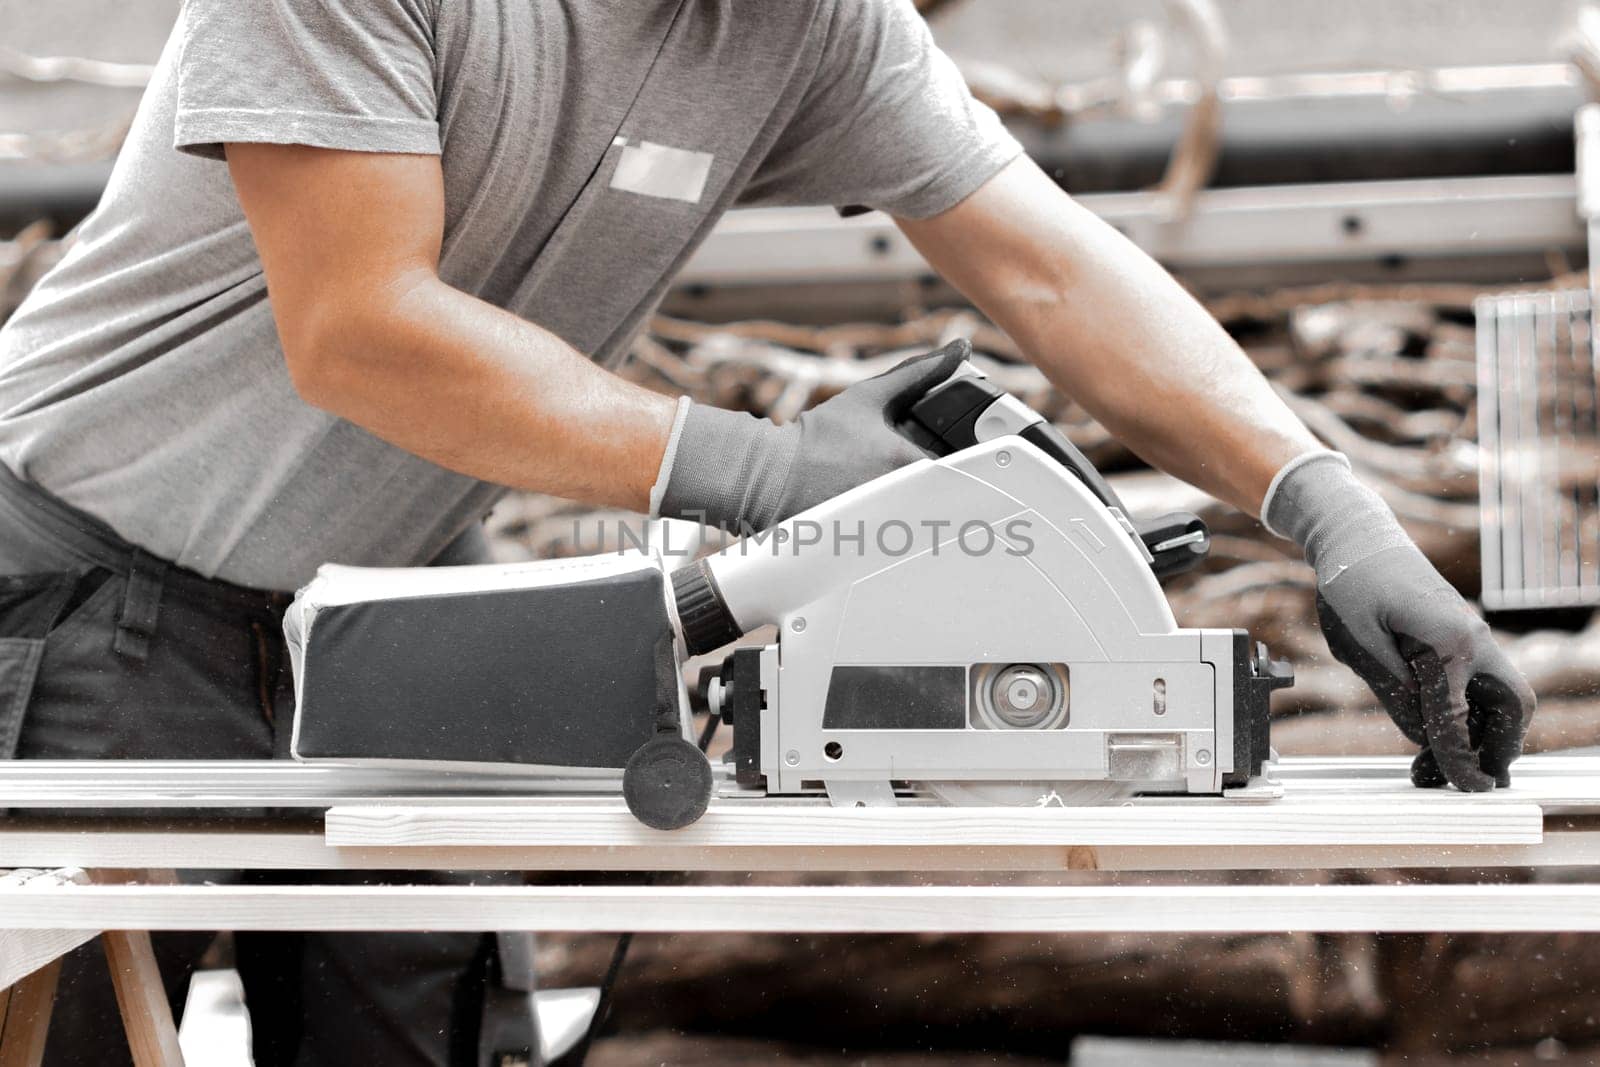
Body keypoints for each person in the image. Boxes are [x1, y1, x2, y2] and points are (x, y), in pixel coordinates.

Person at [0, 0, 1535, 1062]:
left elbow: (1050, 264)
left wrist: (1328, 506)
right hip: (78, 589)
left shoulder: (807, 24)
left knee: (419, 1031)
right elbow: (362, 329)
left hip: (390, 603)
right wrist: (768, 470)